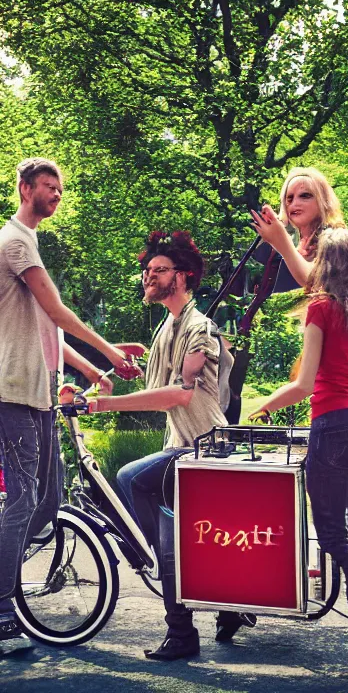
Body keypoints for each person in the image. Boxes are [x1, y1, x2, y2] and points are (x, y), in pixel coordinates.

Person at [87, 230, 254, 661]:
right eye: (147, 270)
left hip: (202, 449)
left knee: (131, 480)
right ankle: (224, 608)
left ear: (183, 277)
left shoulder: (198, 327)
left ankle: (180, 628)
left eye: (158, 270)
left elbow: (179, 394)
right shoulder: (169, 326)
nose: (148, 276)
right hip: (183, 446)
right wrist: (119, 362)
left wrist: (105, 404)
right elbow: (158, 383)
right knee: (179, 537)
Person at [0, 157, 131, 652]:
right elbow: (58, 310)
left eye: (59, 188)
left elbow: (48, 327)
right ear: (25, 188)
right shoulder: (14, 242)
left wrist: (94, 371)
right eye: (49, 187)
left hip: (38, 396)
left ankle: (6, 568)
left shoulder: (28, 243)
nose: (56, 194)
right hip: (9, 393)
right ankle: (1, 606)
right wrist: (113, 353)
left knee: (50, 501)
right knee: (24, 501)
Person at [248, 227, 348, 669]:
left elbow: (305, 384)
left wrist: (265, 403)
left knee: (333, 537)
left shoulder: (321, 308)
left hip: (336, 427)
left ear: (324, 264)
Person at [251, 166, 345, 291]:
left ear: (323, 201)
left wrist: (281, 240)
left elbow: (315, 283)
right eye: (289, 198)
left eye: (305, 196)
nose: (295, 204)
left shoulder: (337, 237)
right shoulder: (296, 245)